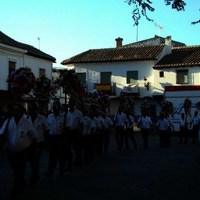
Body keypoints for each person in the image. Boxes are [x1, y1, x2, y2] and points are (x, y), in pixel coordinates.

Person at [0, 103, 37, 197]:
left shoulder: (27, 122)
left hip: (23, 152)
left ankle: (17, 187)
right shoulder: (8, 121)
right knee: (16, 169)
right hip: (11, 152)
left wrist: (34, 147)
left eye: (18, 110)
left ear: (22, 112)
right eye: (14, 110)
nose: (16, 112)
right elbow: (1, 133)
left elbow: (34, 135)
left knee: (19, 170)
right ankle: (22, 184)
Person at [27, 101, 49, 187]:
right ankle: (35, 174)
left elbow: (47, 130)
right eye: (29, 109)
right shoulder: (26, 118)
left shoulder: (42, 118)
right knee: (31, 161)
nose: (30, 111)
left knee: (35, 160)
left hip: (39, 143)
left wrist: (46, 141)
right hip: (29, 144)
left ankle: (34, 178)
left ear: (36, 110)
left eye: (32, 109)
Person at [45, 99, 65, 177]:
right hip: (52, 138)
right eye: (54, 107)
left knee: (61, 156)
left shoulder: (63, 117)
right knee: (52, 156)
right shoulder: (49, 117)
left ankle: (61, 169)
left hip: (60, 138)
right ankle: (51, 171)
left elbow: (65, 129)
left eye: (57, 107)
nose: (55, 108)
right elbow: (47, 128)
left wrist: (64, 139)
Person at [65, 99, 84, 168]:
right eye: (70, 103)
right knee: (68, 148)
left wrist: (81, 132)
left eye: (72, 103)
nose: (71, 104)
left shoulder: (79, 113)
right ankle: (70, 163)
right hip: (68, 132)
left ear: (74, 104)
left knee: (78, 148)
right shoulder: (66, 113)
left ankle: (79, 161)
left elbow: (82, 123)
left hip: (76, 132)